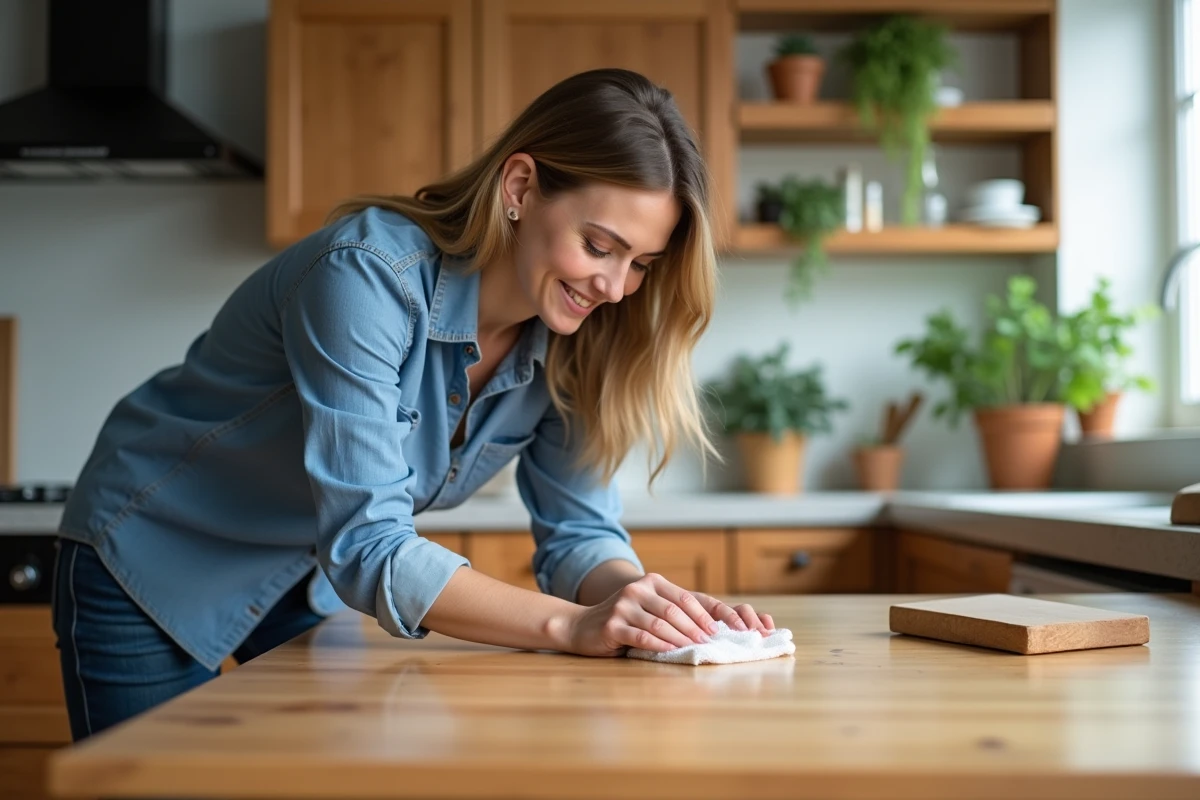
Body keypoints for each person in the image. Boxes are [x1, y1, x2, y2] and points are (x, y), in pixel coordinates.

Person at [52, 68, 776, 742]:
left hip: (300, 579)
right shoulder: (367, 278)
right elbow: (370, 545)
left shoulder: (581, 341)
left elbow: (580, 533)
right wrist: (573, 626)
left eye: (641, 265)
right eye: (599, 246)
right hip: (154, 557)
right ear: (520, 186)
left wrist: (647, 610)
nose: (616, 287)